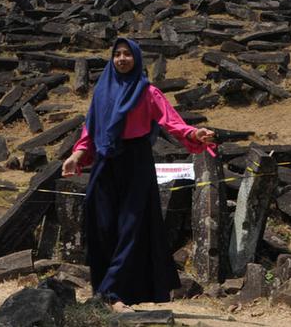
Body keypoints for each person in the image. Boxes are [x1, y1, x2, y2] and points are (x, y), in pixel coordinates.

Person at [62, 38, 218, 309]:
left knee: (131, 228)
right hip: (104, 163)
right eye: (117, 54)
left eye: (127, 54)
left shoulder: (147, 92)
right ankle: (104, 289)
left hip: (136, 164)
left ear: (136, 58)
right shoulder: (101, 93)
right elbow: (91, 130)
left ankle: (112, 294)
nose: (122, 59)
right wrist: (76, 156)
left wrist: (195, 133)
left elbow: (171, 121)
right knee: (101, 226)